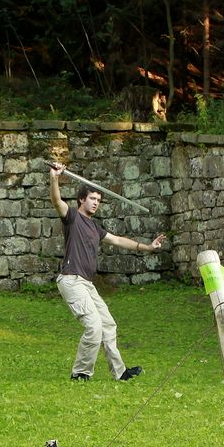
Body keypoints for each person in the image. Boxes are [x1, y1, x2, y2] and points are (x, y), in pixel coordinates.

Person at [49, 162, 166, 381]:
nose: (96, 203)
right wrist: (55, 178)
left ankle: (120, 372)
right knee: (93, 326)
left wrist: (147, 247)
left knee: (108, 325)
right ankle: (81, 373)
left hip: (86, 284)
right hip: (71, 280)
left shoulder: (95, 227)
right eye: (92, 199)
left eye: (98, 201)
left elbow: (118, 240)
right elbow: (56, 201)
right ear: (82, 199)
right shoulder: (72, 217)